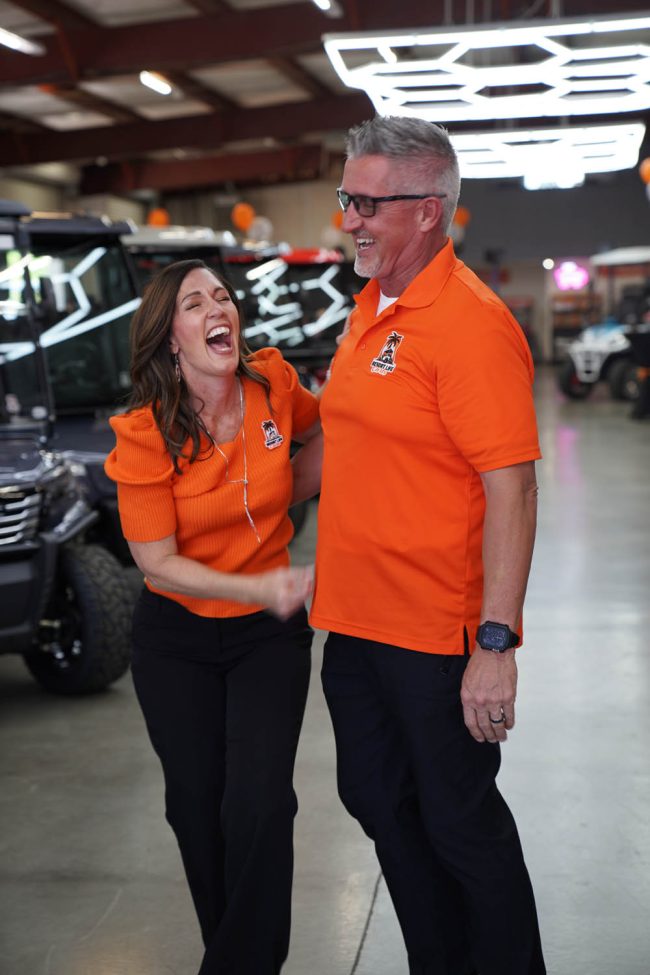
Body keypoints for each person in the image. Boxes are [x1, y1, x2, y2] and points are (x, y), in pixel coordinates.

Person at [309, 116, 546, 974]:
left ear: (429, 210)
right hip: (355, 626)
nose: (351, 220)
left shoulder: (469, 323)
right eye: (348, 198)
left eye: (369, 204)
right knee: (380, 802)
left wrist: (496, 644)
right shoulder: (371, 307)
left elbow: (513, 487)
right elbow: (341, 443)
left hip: (437, 639)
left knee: (459, 824)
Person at [104, 259, 321, 975]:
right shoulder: (145, 432)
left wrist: (287, 490)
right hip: (178, 639)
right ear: (171, 337)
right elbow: (157, 562)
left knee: (260, 804)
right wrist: (258, 587)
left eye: (222, 297)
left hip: (267, 638)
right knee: (196, 809)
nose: (216, 309)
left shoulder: (273, 384)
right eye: (194, 304)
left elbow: (330, 433)